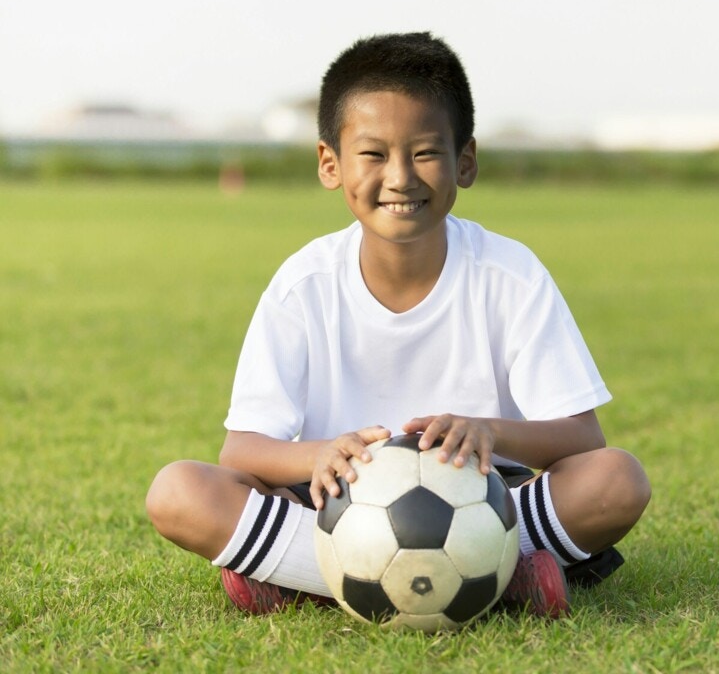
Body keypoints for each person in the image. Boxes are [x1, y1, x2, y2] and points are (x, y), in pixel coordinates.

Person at [145, 32, 651, 618]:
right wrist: (317, 456)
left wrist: (490, 431)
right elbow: (241, 451)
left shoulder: (510, 274)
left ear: (466, 161)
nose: (401, 176)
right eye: (374, 153)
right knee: (178, 492)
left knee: (618, 480)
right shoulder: (303, 285)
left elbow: (585, 440)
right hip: (333, 505)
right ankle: (494, 582)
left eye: (427, 152)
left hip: (489, 503)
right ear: (330, 164)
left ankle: (309, 580)